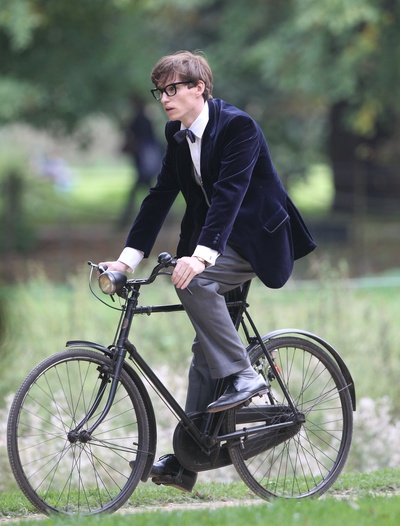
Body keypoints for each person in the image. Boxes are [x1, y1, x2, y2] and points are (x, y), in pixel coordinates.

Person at [101, 50, 316, 492]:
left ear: (199, 88)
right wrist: (126, 260)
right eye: (160, 91)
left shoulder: (238, 127)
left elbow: (230, 195)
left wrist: (199, 258)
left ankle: (246, 377)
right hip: (217, 241)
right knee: (205, 350)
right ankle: (188, 459)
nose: (164, 98)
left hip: (256, 240)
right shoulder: (176, 134)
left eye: (173, 88)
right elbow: (160, 196)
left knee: (193, 282)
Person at [117, 95, 162, 227]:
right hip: (145, 165)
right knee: (152, 192)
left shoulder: (139, 120)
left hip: (144, 166)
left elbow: (136, 137)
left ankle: (125, 220)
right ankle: (163, 217)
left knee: (147, 192)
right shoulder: (144, 120)